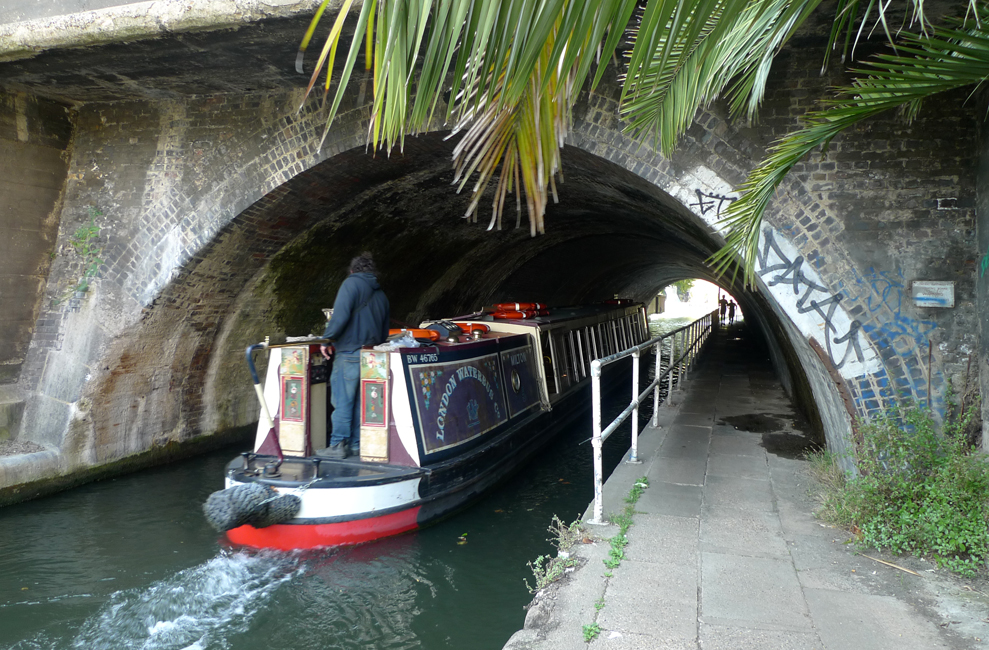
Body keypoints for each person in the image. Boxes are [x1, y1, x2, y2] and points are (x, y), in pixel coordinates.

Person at [319, 252, 390, 459]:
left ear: (353, 270)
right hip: (372, 356)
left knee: (342, 399)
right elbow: (385, 333)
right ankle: (357, 444)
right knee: (361, 402)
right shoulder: (382, 296)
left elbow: (339, 316)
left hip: (349, 352)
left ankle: (338, 445)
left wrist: (327, 339)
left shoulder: (350, 285)